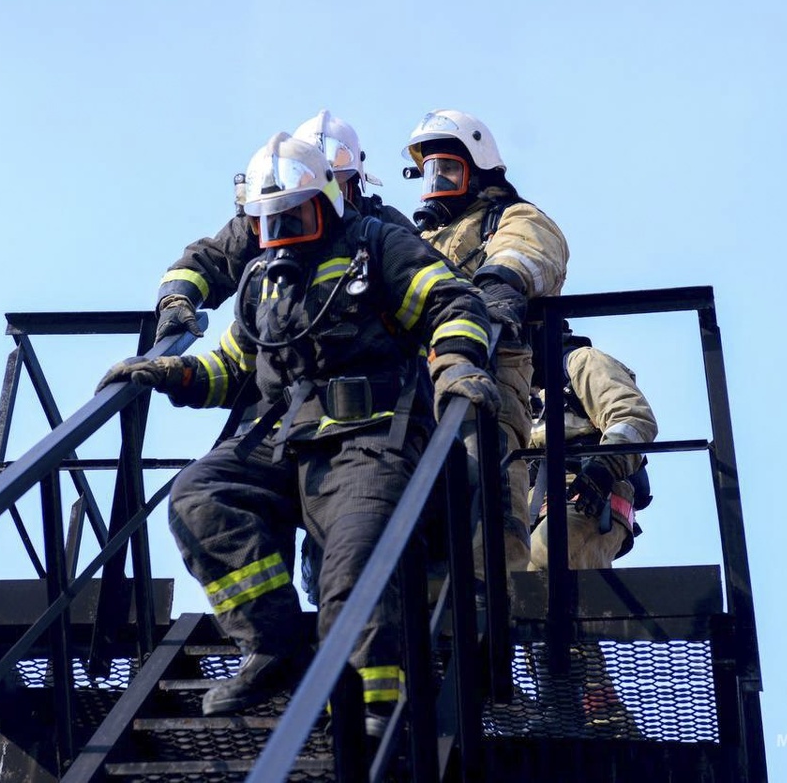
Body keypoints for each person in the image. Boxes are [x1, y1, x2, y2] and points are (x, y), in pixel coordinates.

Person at [97, 133, 499, 728]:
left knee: (356, 555)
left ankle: (371, 704)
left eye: (294, 214)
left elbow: (453, 303)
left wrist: (457, 364)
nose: (282, 229)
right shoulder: (262, 281)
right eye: (269, 219)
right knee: (199, 497)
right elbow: (234, 367)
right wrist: (174, 372)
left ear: (328, 202)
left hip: (370, 440)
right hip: (282, 441)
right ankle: (274, 646)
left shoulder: (378, 244)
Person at [402, 108, 570, 574]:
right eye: (430, 172)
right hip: (417, 388)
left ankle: (494, 598)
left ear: (479, 171)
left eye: (448, 170)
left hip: (488, 382)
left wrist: (499, 283)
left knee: (485, 510)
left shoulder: (513, 217)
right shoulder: (417, 240)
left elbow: (528, 251)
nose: (437, 182)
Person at [152, 109, 416, 345]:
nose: (330, 200)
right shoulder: (267, 223)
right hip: (283, 355)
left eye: (337, 184)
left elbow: (429, 275)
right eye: (314, 193)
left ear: (355, 181)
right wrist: (176, 299)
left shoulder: (382, 228)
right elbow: (209, 260)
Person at [526, 324, 658, 571]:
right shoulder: (515, 394)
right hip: (527, 509)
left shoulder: (581, 362)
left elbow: (631, 416)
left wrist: (605, 466)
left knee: (541, 565)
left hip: (588, 497)